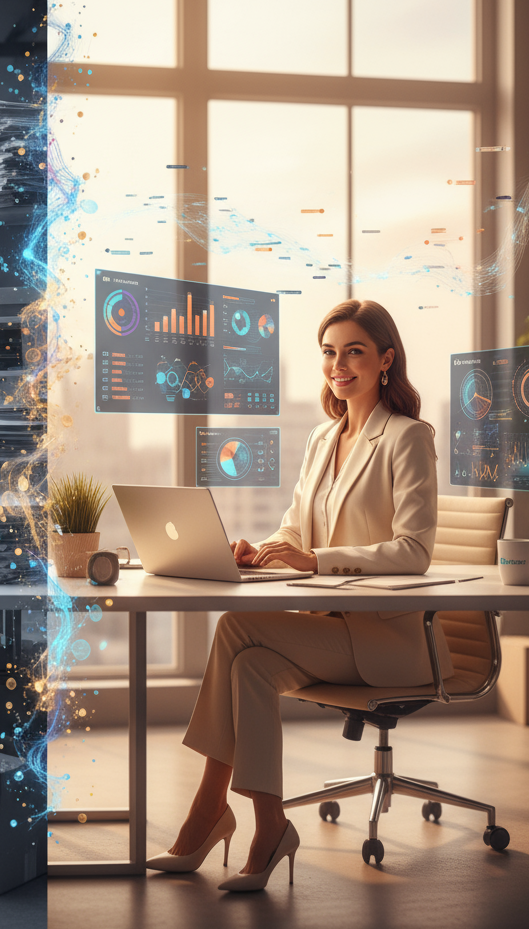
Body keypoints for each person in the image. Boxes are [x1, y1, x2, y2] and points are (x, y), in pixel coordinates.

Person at [146, 299, 451, 890]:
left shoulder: (408, 438)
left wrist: (317, 560)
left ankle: (208, 811)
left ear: (386, 359)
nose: (339, 365)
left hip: (390, 641)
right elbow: (296, 527)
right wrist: (262, 549)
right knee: (251, 666)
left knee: (236, 626)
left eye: (354, 352)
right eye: (330, 353)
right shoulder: (322, 438)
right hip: (332, 628)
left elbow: (414, 550)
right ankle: (269, 825)